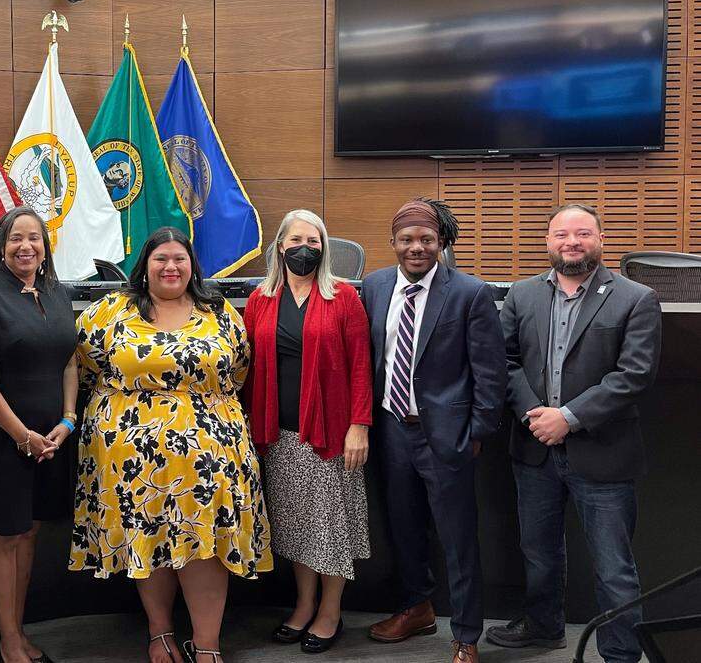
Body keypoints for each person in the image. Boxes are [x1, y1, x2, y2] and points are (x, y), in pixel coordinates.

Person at [72, 226, 272, 663]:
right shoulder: (110, 311)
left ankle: (207, 645)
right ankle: (160, 633)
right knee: (151, 538)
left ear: (192, 266)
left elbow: (238, 370)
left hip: (210, 456)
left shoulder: (219, 312)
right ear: (144, 267)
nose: (171, 266)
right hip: (130, 457)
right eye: (161, 258)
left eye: (179, 259)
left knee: (205, 544)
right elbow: (85, 367)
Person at [486, 204, 661, 663]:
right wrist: (534, 415)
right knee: (539, 555)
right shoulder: (522, 296)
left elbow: (634, 374)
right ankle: (544, 628)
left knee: (614, 567)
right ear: (548, 241)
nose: (572, 242)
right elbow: (503, 361)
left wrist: (569, 416)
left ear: (600, 240)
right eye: (562, 234)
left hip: (603, 451)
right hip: (534, 447)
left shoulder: (635, 297)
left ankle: (621, 652)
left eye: (583, 233)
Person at [361, 199, 506, 663]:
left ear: (440, 242)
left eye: (425, 239)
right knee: (403, 530)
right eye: (406, 240)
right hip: (391, 431)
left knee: (458, 539)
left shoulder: (470, 292)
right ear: (392, 244)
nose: (416, 247)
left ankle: (466, 634)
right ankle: (416, 607)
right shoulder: (375, 286)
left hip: (446, 436)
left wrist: (477, 432)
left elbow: (491, 371)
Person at [242, 210, 372, 654]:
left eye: (314, 242)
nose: (306, 249)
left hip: (332, 435)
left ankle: (330, 611)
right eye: (297, 240)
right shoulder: (261, 298)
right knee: (296, 527)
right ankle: (302, 605)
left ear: (325, 248)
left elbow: (360, 366)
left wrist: (359, 425)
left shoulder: (344, 298)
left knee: (330, 528)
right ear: (280, 246)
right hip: (279, 435)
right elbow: (249, 368)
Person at [0, 206, 78, 663]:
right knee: (5, 536)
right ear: (1, 246)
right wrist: (22, 435)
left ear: (45, 246)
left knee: (29, 534)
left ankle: (20, 632)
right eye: (15, 239)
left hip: (51, 443)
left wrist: (67, 420)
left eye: (34, 238)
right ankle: (8, 642)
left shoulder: (57, 293)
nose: (25, 246)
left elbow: (69, 360)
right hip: (1, 443)